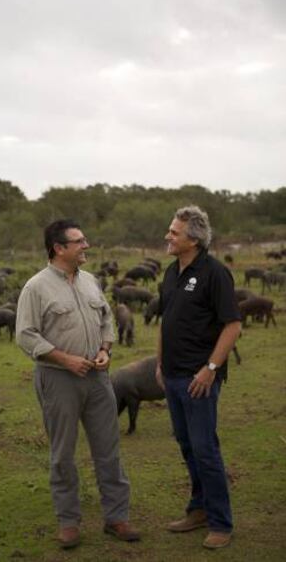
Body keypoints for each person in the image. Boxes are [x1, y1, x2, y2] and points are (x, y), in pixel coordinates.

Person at [16, 219, 140, 549]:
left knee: (109, 450)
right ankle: (68, 521)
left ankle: (116, 517)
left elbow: (106, 319)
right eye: (79, 241)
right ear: (59, 248)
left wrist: (105, 349)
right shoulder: (36, 287)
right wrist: (64, 359)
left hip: (98, 378)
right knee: (62, 454)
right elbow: (25, 335)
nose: (86, 246)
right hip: (59, 379)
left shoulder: (89, 281)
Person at [156, 206, 241, 550]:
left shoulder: (215, 273)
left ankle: (221, 522)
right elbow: (166, 322)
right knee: (187, 444)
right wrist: (160, 364)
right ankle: (198, 509)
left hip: (199, 378)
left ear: (193, 239)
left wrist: (210, 369)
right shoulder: (170, 273)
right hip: (172, 376)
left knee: (206, 449)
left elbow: (232, 325)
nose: (168, 236)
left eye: (174, 232)